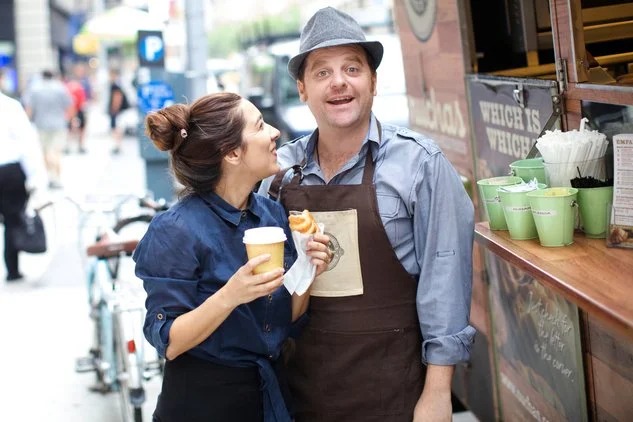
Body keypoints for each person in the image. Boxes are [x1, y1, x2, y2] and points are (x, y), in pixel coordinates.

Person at [259, 7, 476, 422]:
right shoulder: (276, 174)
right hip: (298, 393)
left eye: (352, 68)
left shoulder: (420, 164)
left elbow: (444, 283)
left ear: (373, 81)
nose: (338, 82)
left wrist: (437, 393)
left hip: (397, 392)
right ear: (302, 89)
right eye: (322, 72)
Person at [133, 92, 332, 422]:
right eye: (259, 126)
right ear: (232, 153)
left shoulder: (271, 215)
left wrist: (309, 269)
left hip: (270, 396)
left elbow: (287, 320)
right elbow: (168, 341)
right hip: (201, 403)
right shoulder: (176, 230)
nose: (274, 132)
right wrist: (230, 295)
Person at [0, 71, 48, 281]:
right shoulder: (9, 106)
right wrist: (36, 177)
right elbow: (26, 144)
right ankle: (12, 270)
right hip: (9, 171)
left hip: (10, 170)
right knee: (12, 220)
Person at [23, 70, 72, 189]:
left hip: (41, 125)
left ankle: (52, 177)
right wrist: (69, 120)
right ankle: (57, 178)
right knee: (56, 152)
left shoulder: (34, 89)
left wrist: (25, 124)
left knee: (46, 152)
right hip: (59, 124)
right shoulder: (61, 88)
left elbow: (29, 109)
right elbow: (69, 106)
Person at [64, 70, 88, 154]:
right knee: (81, 128)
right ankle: (80, 146)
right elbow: (83, 101)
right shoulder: (79, 87)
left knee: (69, 129)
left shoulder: (66, 87)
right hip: (78, 110)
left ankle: (67, 146)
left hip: (69, 110)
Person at [107, 69, 128, 154]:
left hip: (117, 111)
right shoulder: (118, 85)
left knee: (116, 128)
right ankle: (117, 145)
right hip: (118, 111)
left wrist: (114, 110)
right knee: (117, 128)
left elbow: (117, 98)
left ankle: (117, 146)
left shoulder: (115, 86)